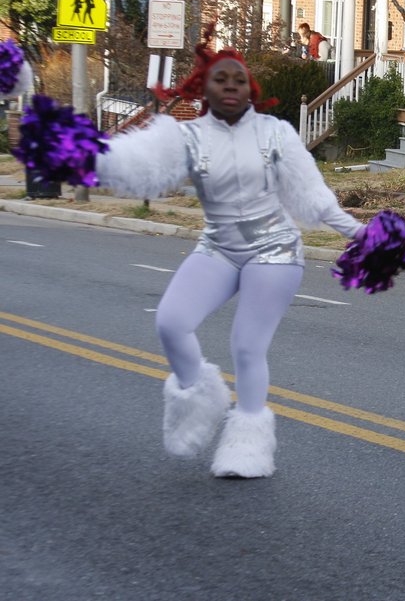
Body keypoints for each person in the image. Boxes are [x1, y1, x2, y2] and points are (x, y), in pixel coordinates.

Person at [96, 37, 364, 477]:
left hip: (274, 251)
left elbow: (314, 197)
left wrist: (360, 234)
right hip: (218, 248)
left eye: (240, 79)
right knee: (170, 321)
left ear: (250, 89)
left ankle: (248, 445)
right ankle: (200, 395)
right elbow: (134, 162)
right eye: (221, 79)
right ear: (204, 88)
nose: (231, 86)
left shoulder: (276, 133)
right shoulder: (187, 136)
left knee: (246, 346)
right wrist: (86, 154)